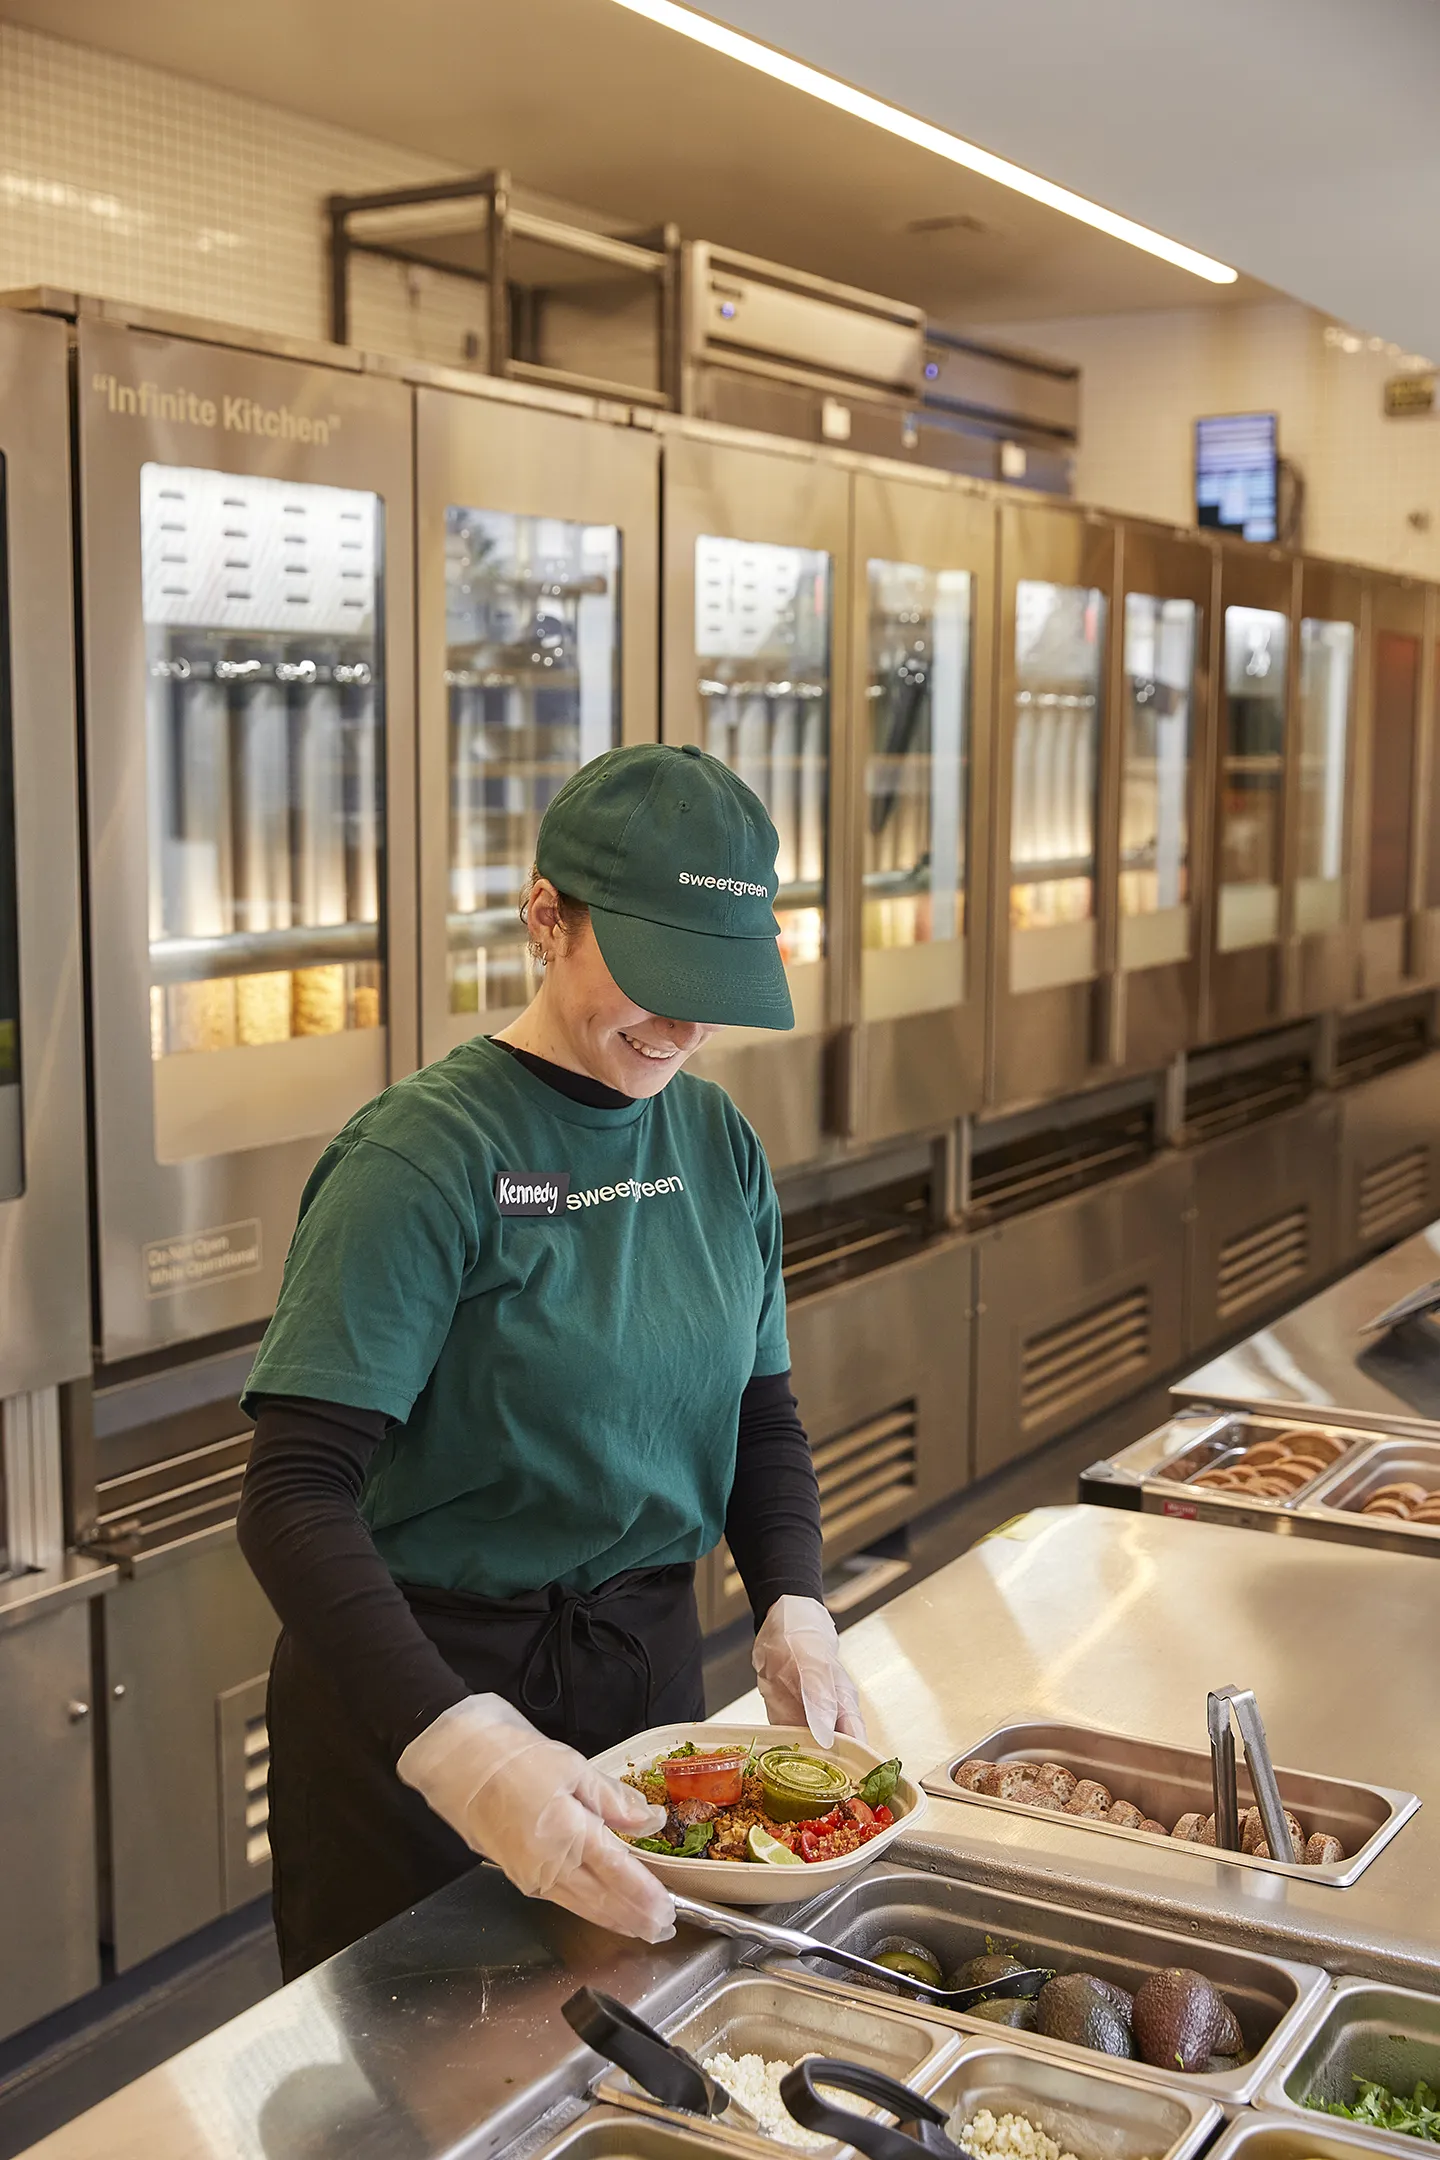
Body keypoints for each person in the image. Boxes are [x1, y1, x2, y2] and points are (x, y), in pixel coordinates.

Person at [237, 742, 865, 1980]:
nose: (682, 1026)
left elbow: (761, 1414)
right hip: (418, 1706)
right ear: (545, 918)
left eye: (712, 986)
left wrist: (792, 1599)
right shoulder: (424, 1157)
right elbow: (291, 1501)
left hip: (643, 1693)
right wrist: (462, 1747)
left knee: (633, 2046)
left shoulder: (717, 1142)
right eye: (652, 978)